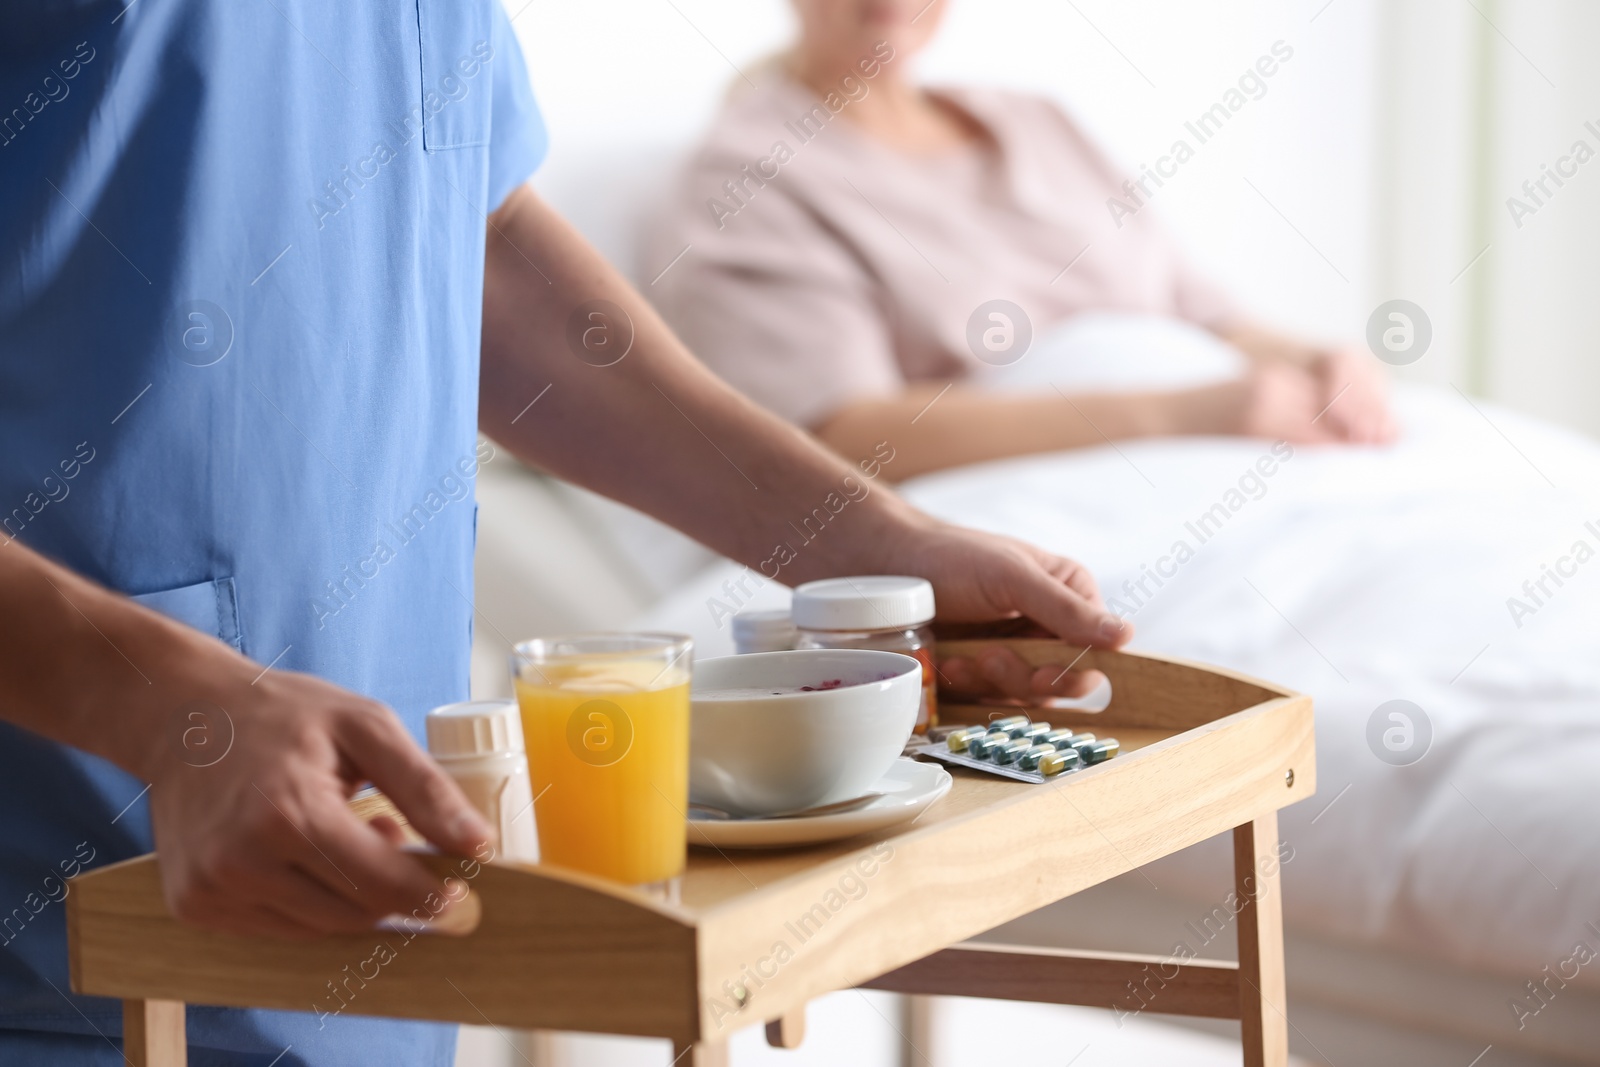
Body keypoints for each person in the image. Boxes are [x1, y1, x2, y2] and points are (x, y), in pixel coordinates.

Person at [0, 3, 1127, 1063]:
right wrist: (154, 696)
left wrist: (867, 543)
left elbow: (470, 242)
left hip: (357, 893)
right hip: (55, 896)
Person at [644, 0, 1397, 481]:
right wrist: (1181, 416)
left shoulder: (1039, 121)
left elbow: (1207, 317)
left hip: (1259, 455)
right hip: (1083, 495)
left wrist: (1322, 361)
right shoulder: (747, 176)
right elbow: (843, 434)